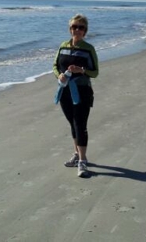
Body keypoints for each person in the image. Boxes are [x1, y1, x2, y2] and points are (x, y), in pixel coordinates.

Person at [53, 14, 99, 177]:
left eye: (80, 27)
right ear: (70, 29)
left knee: (80, 125)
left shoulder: (88, 49)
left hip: (82, 92)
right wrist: (59, 75)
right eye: (74, 27)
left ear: (85, 31)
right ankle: (76, 154)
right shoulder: (63, 46)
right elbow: (55, 66)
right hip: (65, 91)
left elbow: (95, 72)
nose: (77, 30)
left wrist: (82, 71)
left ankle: (83, 160)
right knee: (72, 124)